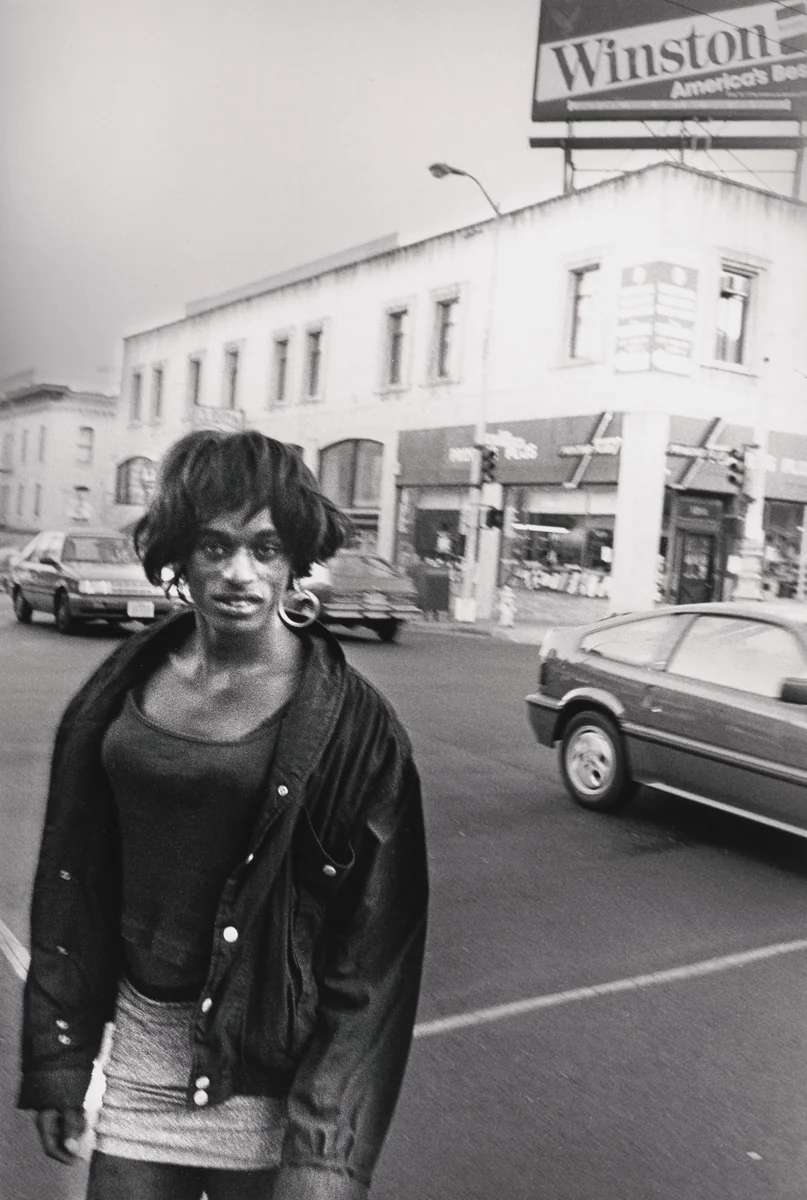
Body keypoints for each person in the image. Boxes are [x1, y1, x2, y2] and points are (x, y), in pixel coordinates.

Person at [18, 430, 429, 1200]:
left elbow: (374, 956)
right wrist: (62, 1058)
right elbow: (74, 880)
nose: (240, 573)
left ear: (294, 561)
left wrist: (324, 1155)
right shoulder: (124, 686)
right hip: (142, 1051)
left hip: (271, 1074)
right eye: (215, 546)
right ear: (179, 554)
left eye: (266, 549)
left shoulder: (354, 728)